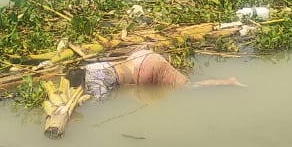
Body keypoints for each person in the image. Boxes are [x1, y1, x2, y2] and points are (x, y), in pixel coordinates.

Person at [79, 48, 241, 100]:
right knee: (186, 85)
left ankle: (229, 82)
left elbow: (101, 101)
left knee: (188, 88)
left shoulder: (92, 81)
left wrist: (83, 100)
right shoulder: (93, 67)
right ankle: (227, 81)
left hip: (144, 72)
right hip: (141, 57)